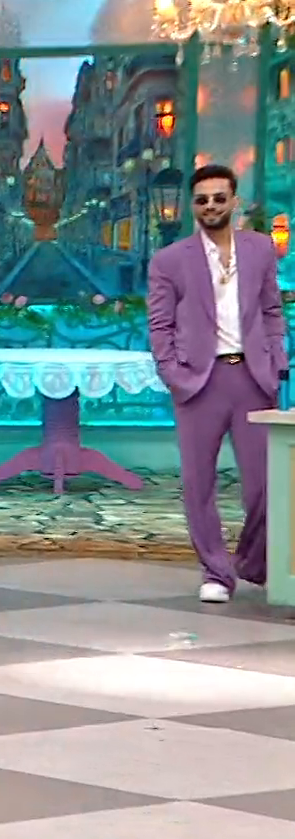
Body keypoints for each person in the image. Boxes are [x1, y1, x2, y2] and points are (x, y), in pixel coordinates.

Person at [147, 163, 287, 604]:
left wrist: (277, 363)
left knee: (266, 484)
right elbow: (160, 325)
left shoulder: (260, 249)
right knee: (199, 484)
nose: (211, 206)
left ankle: (251, 563)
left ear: (234, 202)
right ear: (193, 205)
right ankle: (215, 572)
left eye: (219, 198)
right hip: (197, 382)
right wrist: (173, 373)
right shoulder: (170, 260)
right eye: (202, 200)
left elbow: (272, 311)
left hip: (253, 379)